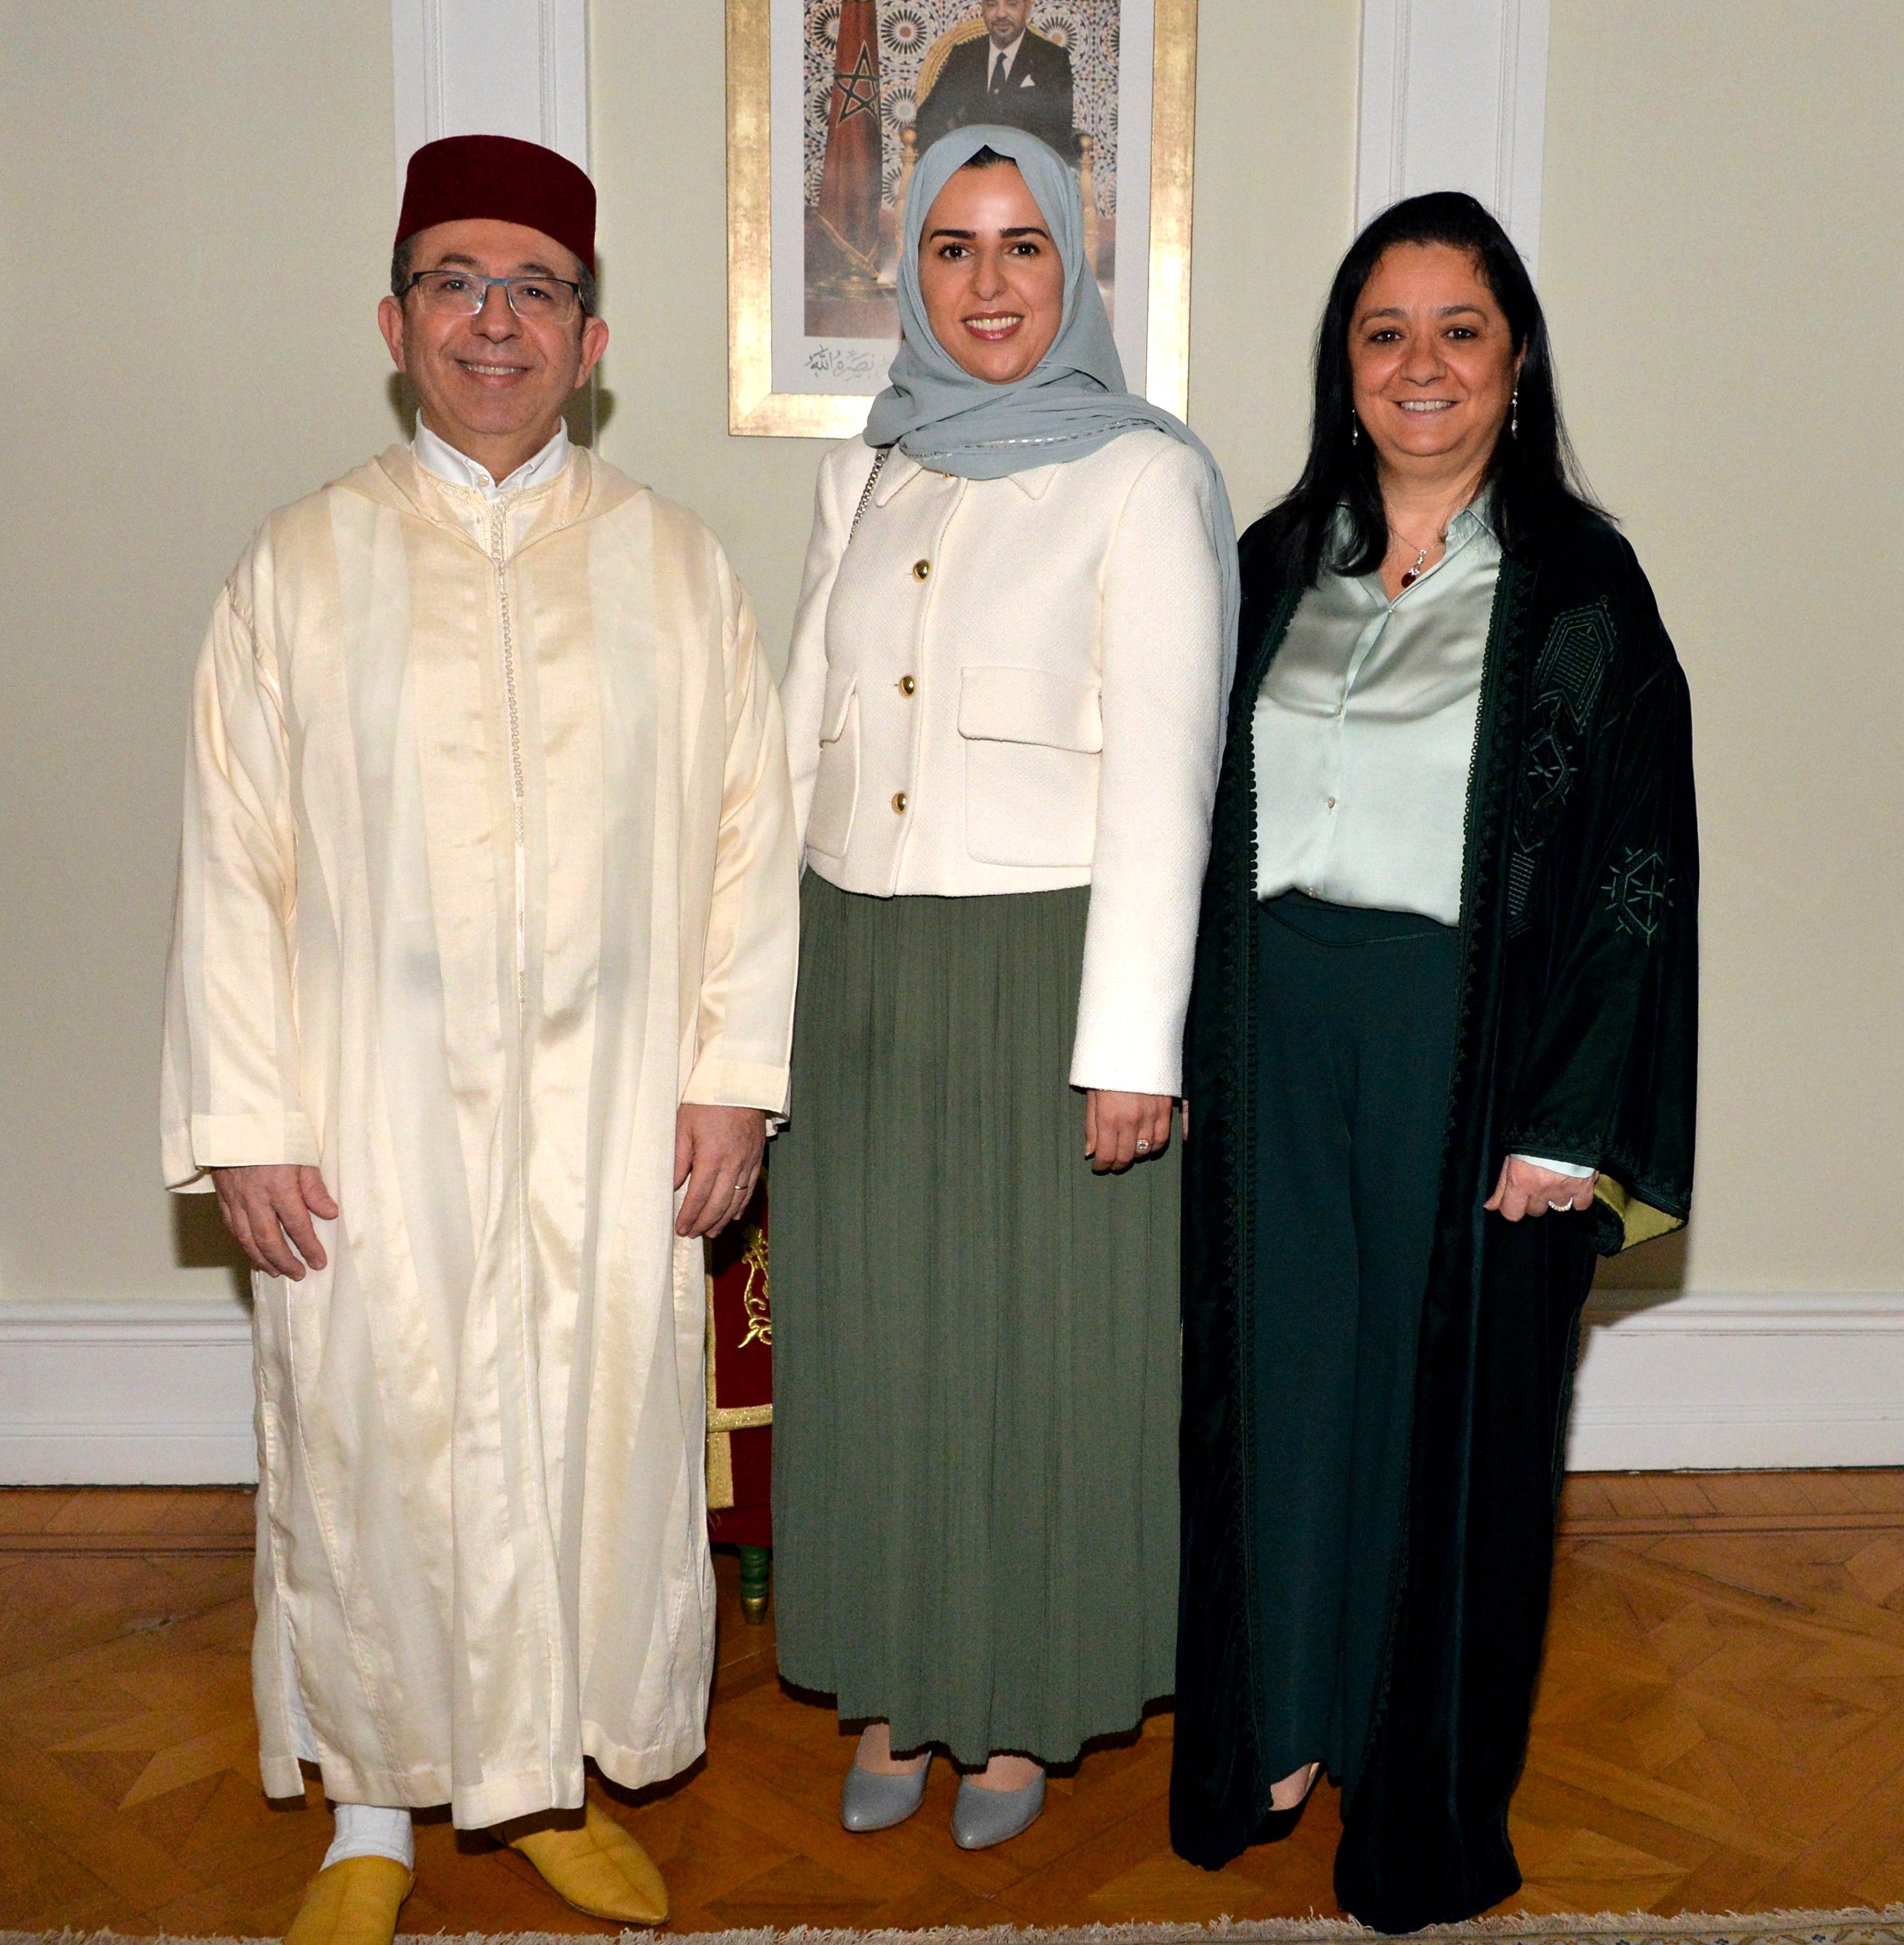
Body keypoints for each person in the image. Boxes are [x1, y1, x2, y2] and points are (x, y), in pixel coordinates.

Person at [160, 134, 799, 1945]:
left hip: (611, 1113)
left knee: (588, 1450)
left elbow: (748, 842)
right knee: (372, 1442)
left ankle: (542, 1791)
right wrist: (245, 1117)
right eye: (455, 281)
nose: (494, 320)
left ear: (592, 340)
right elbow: (230, 860)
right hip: (361, 1115)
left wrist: (730, 1079)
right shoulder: (298, 569)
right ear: (395, 323)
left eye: (535, 288)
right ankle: (370, 1815)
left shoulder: (675, 569)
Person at [1169, 191, 1698, 1931]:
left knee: (1437, 1422)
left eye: (1457, 330)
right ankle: (1276, 1729)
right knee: (1284, 1393)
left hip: (1462, 1052)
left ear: (1515, 362)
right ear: (1342, 363)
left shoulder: (1579, 593)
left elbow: (1633, 872)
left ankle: (1413, 1794)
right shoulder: (1267, 564)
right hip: (1267, 1034)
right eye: (1382, 331)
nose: (1419, 365)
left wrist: (1567, 1121)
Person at [770, 125, 1236, 1851]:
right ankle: (895, 1682)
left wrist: (1132, 1046)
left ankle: (1026, 1706)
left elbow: (1167, 782)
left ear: (1072, 270)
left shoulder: (1143, 477)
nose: (987, 282)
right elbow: (794, 746)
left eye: (1023, 244)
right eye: (952, 246)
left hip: (1047, 980)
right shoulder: (863, 476)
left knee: (1039, 1359)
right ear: (906, 268)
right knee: (877, 1346)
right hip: (858, 974)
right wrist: (752, 1008)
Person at [914, 0, 1077, 162]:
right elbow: (929, 118)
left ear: (1027, 8)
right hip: (970, 166)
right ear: (983, 9)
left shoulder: (1053, 59)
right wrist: (952, 160)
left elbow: (1058, 133)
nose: (1001, 14)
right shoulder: (964, 56)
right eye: (992, 5)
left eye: (1012, 4)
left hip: (1026, 167)